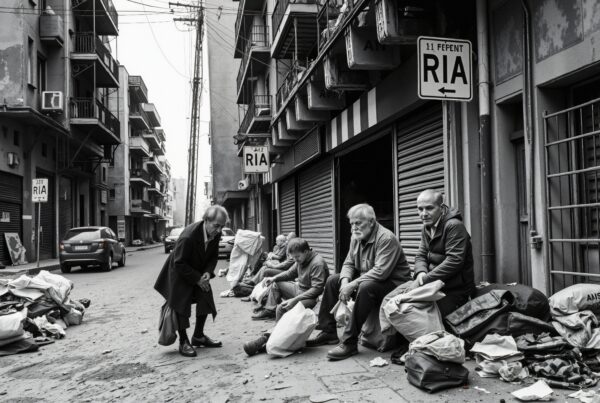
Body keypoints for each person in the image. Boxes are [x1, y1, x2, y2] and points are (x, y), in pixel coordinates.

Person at [306, 203, 411, 361]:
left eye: (358, 223)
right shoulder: (356, 237)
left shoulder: (386, 238)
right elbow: (349, 263)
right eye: (352, 223)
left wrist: (353, 284)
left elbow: (380, 272)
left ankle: (349, 342)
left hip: (394, 284)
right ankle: (328, 332)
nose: (354, 227)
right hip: (371, 280)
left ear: (371, 221)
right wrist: (344, 282)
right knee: (333, 280)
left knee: (365, 286)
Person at [154, 205, 229, 357]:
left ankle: (198, 336)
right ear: (206, 220)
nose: (219, 230)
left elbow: (213, 256)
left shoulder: (215, 233)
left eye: (222, 227)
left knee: (205, 296)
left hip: (198, 272)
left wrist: (208, 272)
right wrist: (197, 279)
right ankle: (183, 341)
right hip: (179, 272)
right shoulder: (188, 236)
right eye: (216, 226)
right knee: (181, 304)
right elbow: (179, 263)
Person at [408, 189, 475, 316]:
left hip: (454, 290)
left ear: (442, 208)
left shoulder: (454, 226)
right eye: (420, 209)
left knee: (418, 315)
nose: (423, 214)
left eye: (429, 208)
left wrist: (424, 280)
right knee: (393, 301)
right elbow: (421, 254)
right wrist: (421, 273)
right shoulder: (427, 226)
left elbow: (454, 261)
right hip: (432, 285)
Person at [252, 237, 329, 321]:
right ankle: (270, 310)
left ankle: (278, 331)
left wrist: (294, 300)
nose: (295, 259)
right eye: (293, 257)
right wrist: (274, 278)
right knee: (276, 283)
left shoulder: (317, 263)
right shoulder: (301, 259)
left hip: (312, 298)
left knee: (282, 308)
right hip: (300, 290)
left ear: (306, 252)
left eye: (297, 257)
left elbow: (316, 289)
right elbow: (290, 273)